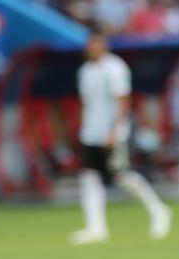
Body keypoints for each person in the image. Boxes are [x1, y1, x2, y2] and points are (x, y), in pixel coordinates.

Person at [69, 32, 172, 245]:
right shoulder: (85, 71)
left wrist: (115, 131)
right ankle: (96, 227)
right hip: (91, 133)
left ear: (103, 44)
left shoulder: (115, 68)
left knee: (122, 175)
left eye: (95, 43)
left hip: (113, 133)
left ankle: (159, 210)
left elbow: (123, 101)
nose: (92, 48)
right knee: (89, 177)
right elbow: (86, 103)